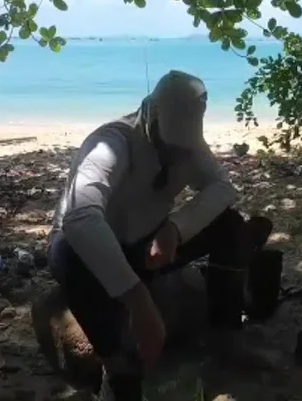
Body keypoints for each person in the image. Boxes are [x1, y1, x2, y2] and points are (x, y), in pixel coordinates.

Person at [46, 70, 269, 400]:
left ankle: (225, 331)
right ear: (150, 116)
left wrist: (176, 227)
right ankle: (115, 368)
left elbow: (223, 188)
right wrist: (138, 301)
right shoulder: (112, 142)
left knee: (230, 224)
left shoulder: (191, 146)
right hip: (93, 251)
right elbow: (79, 219)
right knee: (69, 253)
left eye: (184, 145)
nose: (177, 154)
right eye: (170, 143)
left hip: (149, 243)